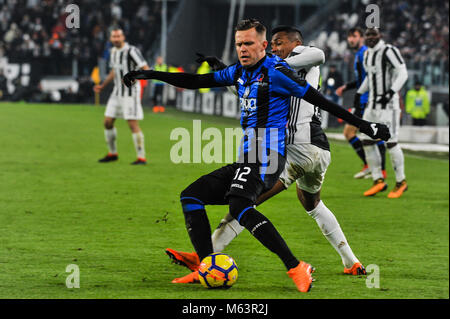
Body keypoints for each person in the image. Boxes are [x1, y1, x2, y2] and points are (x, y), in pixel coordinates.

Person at [123, 19, 390, 292]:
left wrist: (365, 125)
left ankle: (295, 266)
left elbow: (320, 100)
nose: (242, 49)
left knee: (241, 205)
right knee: (192, 196)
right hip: (251, 156)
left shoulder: (279, 70)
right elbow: (197, 81)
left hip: (272, 155)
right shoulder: (240, 72)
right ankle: (206, 263)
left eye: (249, 43)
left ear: (264, 46)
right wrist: (151, 74)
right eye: (239, 44)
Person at [356, 28, 408, 198]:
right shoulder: (367, 54)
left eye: (374, 35)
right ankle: (378, 180)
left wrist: (391, 92)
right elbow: (370, 78)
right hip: (372, 103)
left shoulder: (389, 50)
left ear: (380, 36)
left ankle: (401, 181)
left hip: (389, 105)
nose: (371, 38)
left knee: (391, 142)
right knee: (365, 139)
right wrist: (358, 93)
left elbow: (403, 72)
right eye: (368, 35)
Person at [336, 27, 387, 179]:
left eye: (354, 36)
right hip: (363, 99)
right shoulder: (359, 54)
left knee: (370, 134)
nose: (351, 39)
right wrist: (346, 87)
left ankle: (379, 169)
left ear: (361, 38)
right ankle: (370, 166)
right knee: (352, 132)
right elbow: (361, 80)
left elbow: (370, 78)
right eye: (349, 37)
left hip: (368, 99)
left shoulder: (365, 53)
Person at [93, 28, 150, 165]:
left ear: (123, 37)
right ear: (111, 39)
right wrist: (102, 85)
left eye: (119, 36)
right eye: (114, 37)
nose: (116, 39)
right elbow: (114, 72)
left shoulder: (132, 51)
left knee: (132, 123)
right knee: (107, 122)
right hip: (116, 92)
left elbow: (146, 69)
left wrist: (133, 80)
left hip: (131, 93)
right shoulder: (113, 52)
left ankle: (141, 157)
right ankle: (113, 153)